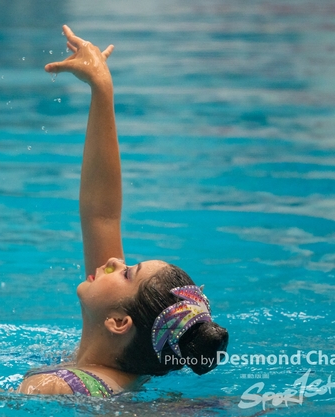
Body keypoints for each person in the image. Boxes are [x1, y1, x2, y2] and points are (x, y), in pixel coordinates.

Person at [16, 25, 229, 397]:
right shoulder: (125, 371)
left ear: (118, 322)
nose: (115, 260)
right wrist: (102, 89)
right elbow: (102, 213)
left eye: (128, 272)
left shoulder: (53, 387)